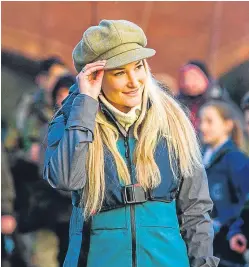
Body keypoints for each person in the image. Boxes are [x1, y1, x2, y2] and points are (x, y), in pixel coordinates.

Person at [43, 19, 219, 267]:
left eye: (138, 67)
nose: (134, 81)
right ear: (95, 77)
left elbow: (195, 211)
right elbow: (65, 179)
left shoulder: (173, 121)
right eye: (119, 73)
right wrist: (85, 104)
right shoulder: (73, 119)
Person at [199, 100, 249, 267]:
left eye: (210, 121)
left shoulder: (235, 158)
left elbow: (243, 202)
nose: (203, 127)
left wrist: (234, 229)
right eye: (201, 121)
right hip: (206, 245)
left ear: (227, 125)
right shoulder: (200, 157)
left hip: (227, 247)